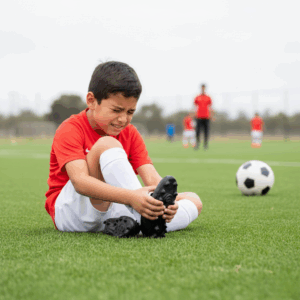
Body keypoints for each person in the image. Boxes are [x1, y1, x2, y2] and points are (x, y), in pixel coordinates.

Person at [45, 61, 202, 238]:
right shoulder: (71, 128)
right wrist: (132, 198)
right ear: (91, 101)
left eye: (129, 112)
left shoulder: (130, 133)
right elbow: (80, 182)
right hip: (71, 213)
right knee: (107, 144)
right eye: (116, 110)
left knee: (193, 199)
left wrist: (167, 203)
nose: (123, 119)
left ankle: (141, 222)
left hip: (115, 205)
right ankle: (145, 219)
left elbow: (151, 178)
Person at [193, 84, 214, 150]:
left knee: (206, 132)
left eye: (204, 88)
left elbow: (210, 107)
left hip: (206, 117)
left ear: (205, 89)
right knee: (197, 132)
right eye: (202, 88)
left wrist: (212, 116)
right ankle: (197, 144)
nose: (203, 89)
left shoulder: (208, 97)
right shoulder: (197, 97)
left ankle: (205, 145)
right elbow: (194, 107)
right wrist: (194, 114)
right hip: (199, 117)